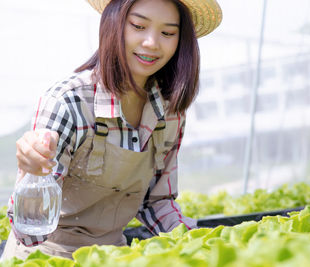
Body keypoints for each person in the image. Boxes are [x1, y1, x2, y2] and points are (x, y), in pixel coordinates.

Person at [2, 0, 222, 260]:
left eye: (168, 33)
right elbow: (28, 233)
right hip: (45, 258)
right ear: (113, 23)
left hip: (112, 257)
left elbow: (156, 202)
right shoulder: (68, 101)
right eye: (139, 26)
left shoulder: (170, 111)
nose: (152, 42)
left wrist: (207, 244)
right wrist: (34, 175)